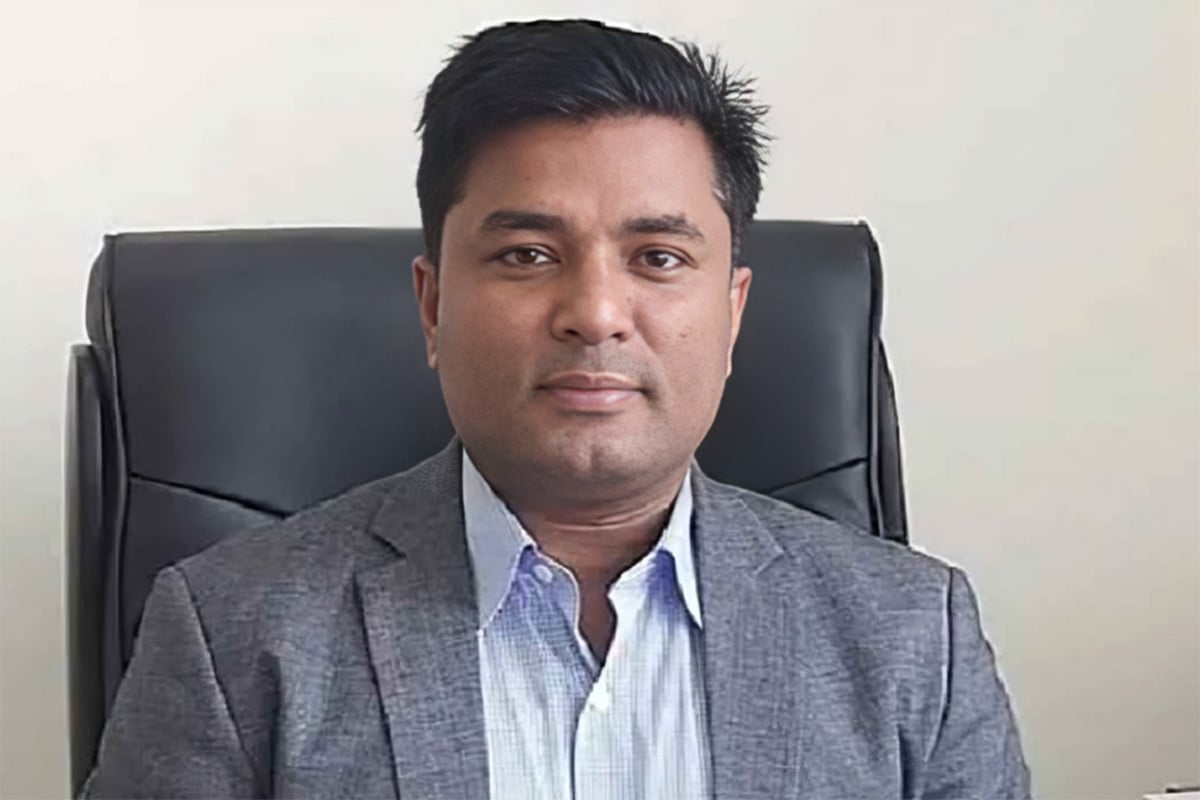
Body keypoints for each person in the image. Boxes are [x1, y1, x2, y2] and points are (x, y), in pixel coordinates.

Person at [82, 18, 1030, 800]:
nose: (596, 313)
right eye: (528, 255)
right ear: (433, 306)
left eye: (658, 258)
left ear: (733, 313)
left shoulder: (913, 637)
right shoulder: (233, 634)